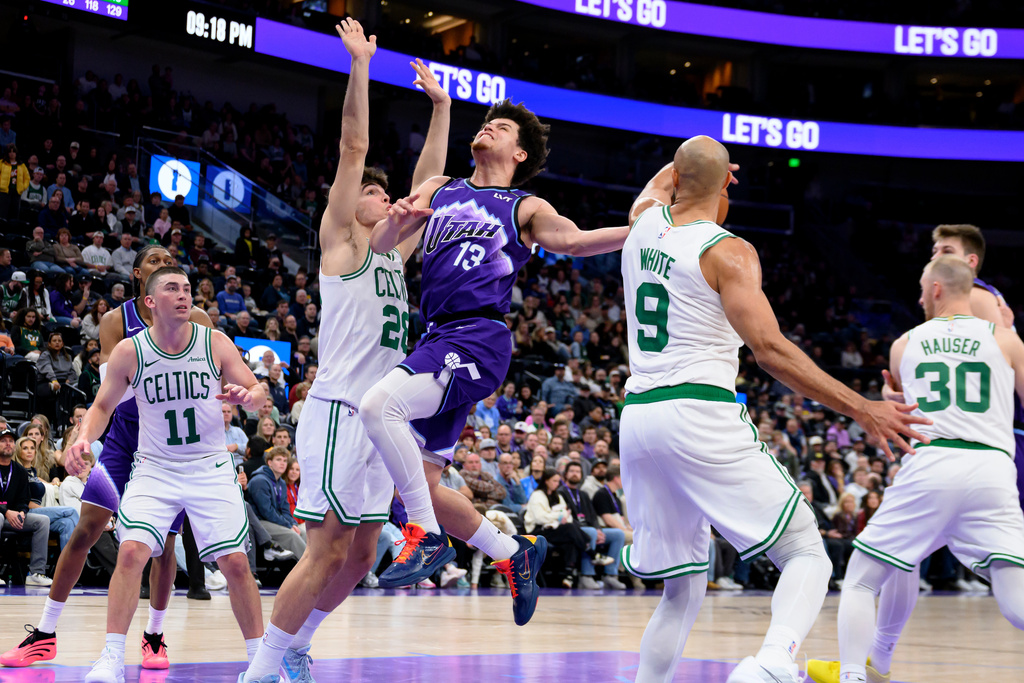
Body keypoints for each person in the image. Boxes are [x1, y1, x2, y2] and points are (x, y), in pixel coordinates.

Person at [617, 136, 926, 683]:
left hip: (639, 418)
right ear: (724, 187)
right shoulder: (727, 250)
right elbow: (771, 352)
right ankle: (773, 664)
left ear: (678, 178)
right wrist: (862, 407)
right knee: (807, 551)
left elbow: (659, 187)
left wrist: (695, 172)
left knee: (683, 584)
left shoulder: (641, 223)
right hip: (696, 412)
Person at [359, 91, 634, 625]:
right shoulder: (441, 189)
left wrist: (645, 230)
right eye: (487, 124)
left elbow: (575, 242)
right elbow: (382, 245)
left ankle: (425, 537)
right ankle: (514, 553)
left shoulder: (524, 207)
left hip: (476, 338)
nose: (488, 129)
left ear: (520, 154)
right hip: (436, 337)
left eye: (502, 128)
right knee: (421, 487)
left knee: (377, 409)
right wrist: (395, 218)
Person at [240, 21, 452, 683]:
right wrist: (360, 65)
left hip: (380, 418)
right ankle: (260, 667)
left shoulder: (394, 252)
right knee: (325, 547)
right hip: (337, 411)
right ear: (349, 203)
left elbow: (431, 183)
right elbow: (354, 144)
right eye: (374, 192)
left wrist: (442, 107)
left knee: (361, 553)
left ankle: (297, 643)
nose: (384, 198)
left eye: (387, 195)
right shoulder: (344, 243)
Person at [808, 223, 1024, 682]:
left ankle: (853, 676)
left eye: (924, 290)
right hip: (991, 468)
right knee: (1016, 599)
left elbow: (902, 410)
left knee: (863, 579)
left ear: (938, 288)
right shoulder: (1007, 339)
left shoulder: (903, 344)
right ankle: (879, 662)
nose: (920, 298)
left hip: (933, 462)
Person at [0, 246, 212, 670]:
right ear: (138, 276)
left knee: (163, 547)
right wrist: (82, 437)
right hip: (124, 441)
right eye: (153, 260)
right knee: (85, 531)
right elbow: (116, 391)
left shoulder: (200, 320)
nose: (164, 261)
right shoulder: (117, 321)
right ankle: (44, 633)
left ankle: (154, 636)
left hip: (169, 450)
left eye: (170, 257)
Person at [62, 266, 265, 683]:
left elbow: (257, 392)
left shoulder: (215, 342)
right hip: (155, 468)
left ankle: (261, 664)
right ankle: (111, 659)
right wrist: (84, 438)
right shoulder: (129, 351)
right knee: (133, 551)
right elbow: (102, 407)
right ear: (150, 301)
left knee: (236, 564)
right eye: (172, 288)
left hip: (209, 467)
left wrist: (250, 396)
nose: (184, 294)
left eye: (188, 288)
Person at [0, 427, 52, 586]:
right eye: (3, 441)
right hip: (2, 515)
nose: (8, 444)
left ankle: (36, 572)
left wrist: (22, 512)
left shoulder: (20, 471)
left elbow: (24, 499)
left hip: (13, 516)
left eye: (11, 441)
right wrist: (6, 511)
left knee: (43, 521)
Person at [562, 461, 624, 590]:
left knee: (618, 534)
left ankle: (611, 575)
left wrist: (599, 530)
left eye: (578, 472)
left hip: (590, 529)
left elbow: (593, 516)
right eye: (572, 471)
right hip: (573, 529)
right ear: (565, 474)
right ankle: (587, 576)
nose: (575, 474)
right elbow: (565, 518)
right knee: (590, 532)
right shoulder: (561, 493)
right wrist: (594, 531)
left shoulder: (583, 494)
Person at [248, 447, 307, 559]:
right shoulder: (259, 481)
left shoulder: (281, 483)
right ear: (270, 462)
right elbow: (267, 512)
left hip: (274, 521)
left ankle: (319, 567)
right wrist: (288, 525)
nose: (282, 463)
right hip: (260, 522)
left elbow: (285, 509)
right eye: (278, 460)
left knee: (303, 533)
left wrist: (292, 523)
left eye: (285, 461)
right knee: (292, 536)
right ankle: (311, 570)